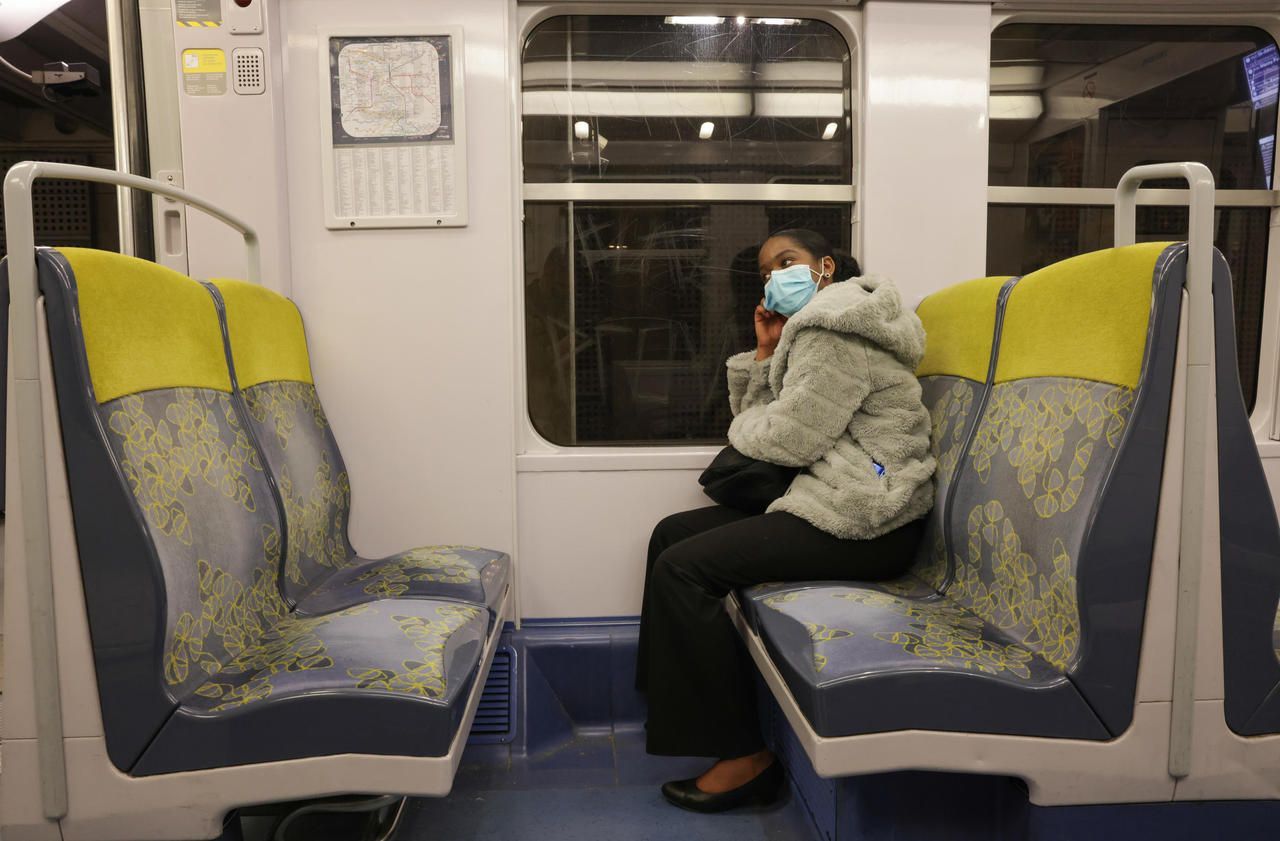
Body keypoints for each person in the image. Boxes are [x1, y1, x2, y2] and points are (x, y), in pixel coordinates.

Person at [634, 228, 936, 813]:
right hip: (835, 496)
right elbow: (771, 429)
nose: (775, 277)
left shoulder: (833, 330)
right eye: (767, 270)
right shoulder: (814, 328)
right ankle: (679, 707)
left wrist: (749, 429)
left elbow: (785, 439)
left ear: (824, 266)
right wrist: (766, 356)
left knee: (682, 570)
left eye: (787, 261)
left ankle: (743, 757)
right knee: (671, 534)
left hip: (869, 517)